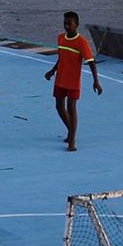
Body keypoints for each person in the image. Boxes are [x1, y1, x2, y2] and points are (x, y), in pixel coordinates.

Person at [44, 10, 101, 151]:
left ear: (77, 24)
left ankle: (72, 141)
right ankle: (70, 130)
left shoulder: (82, 42)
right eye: (65, 23)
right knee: (58, 106)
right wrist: (52, 71)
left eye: (69, 24)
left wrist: (96, 81)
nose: (67, 26)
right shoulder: (60, 38)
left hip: (73, 81)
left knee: (71, 108)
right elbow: (61, 58)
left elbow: (91, 62)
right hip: (60, 79)